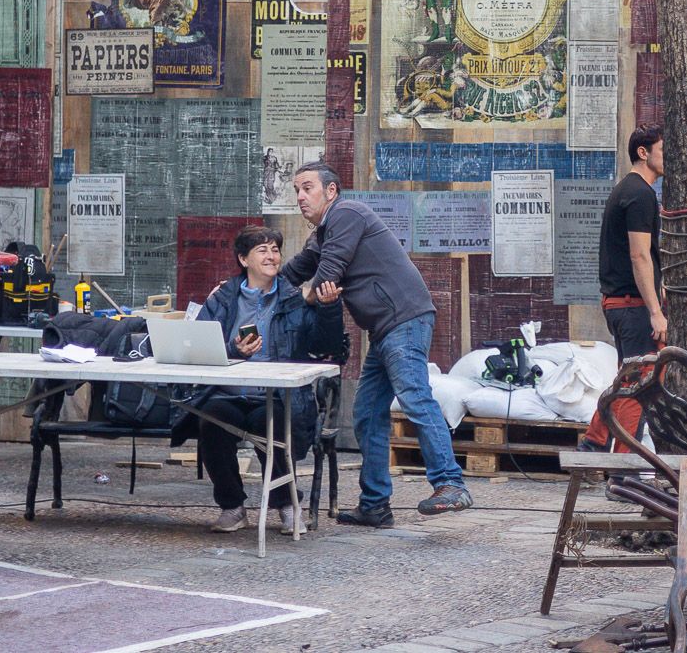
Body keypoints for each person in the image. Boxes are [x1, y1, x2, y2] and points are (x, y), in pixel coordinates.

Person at [279, 161, 472, 526]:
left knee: (415, 398)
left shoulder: (346, 214)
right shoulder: (323, 234)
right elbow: (294, 271)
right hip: (384, 329)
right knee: (368, 413)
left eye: (307, 188)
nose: (301, 197)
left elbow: (327, 276)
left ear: (331, 191)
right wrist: (247, 286)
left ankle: (451, 484)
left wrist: (302, 297)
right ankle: (375, 505)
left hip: (404, 320)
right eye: (297, 190)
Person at [173, 224, 343, 535]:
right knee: (211, 419)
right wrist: (233, 350)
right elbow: (197, 345)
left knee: (272, 423)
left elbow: (325, 346)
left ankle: (287, 504)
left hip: (276, 394)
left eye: (275, 250)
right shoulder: (223, 298)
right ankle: (232, 507)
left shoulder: (293, 299)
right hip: (228, 393)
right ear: (243, 259)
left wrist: (329, 309)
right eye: (262, 250)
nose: (271, 256)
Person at [581, 125, 665, 453]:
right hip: (632, 306)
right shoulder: (640, 194)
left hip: (622, 303)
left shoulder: (627, 190)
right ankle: (622, 468)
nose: (669, 157)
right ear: (643, 153)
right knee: (639, 384)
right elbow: (639, 255)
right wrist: (655, 311)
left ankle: (594, 443)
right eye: (663, 150)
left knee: (631, 378)